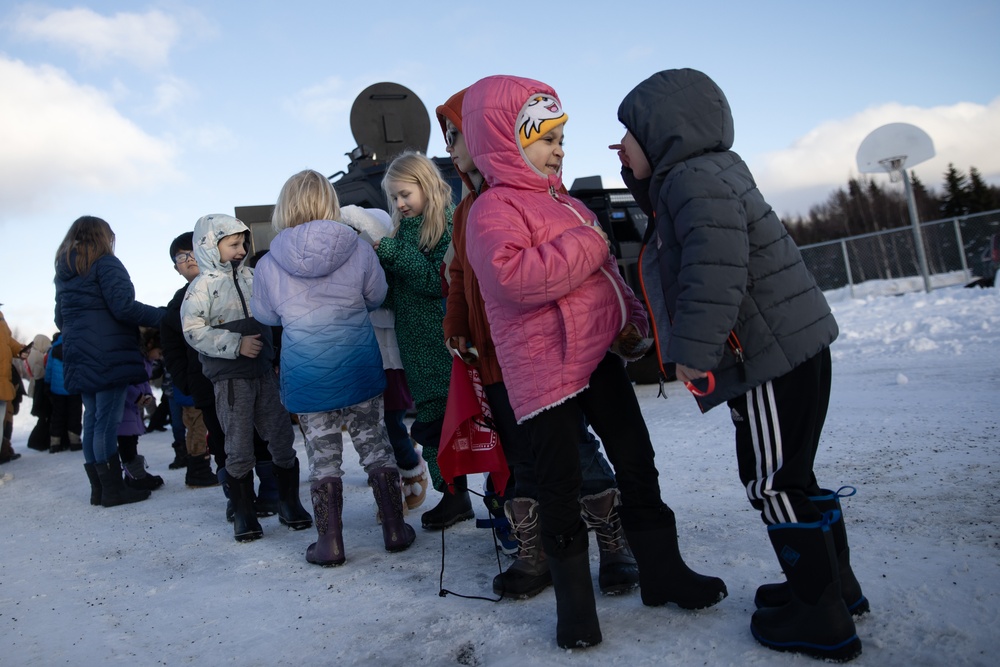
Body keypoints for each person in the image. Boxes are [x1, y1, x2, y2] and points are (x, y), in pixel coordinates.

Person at [462, 75, 727, 649]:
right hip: (544, 369)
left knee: (637, 457)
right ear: (507, 141)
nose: (560, 148)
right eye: (546, 137)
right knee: (561, 484)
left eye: (562, 136)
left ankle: (663, 571)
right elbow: (511, 279)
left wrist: (630, 318)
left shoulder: (569, 204)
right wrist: (590, 245)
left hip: (598, 354)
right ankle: (575, 606)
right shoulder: (492, 208)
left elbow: (604, 277)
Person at [614, 68, 865, 662]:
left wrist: (693, 354)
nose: (619, 146)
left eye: (627, 134)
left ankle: (820, 618)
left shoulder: (691, 181)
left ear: (662, 132)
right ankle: (833, 589)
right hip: (793, 347)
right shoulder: (710, 170)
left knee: (773, 482)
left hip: (766, 358)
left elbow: (713, 271)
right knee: (794, 476)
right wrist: (642, 181)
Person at [436, 87, 638, 598]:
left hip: (541, 353)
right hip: (492, 356)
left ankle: (613, 540)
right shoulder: (466, 211)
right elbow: (460, 273)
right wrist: (456, 321)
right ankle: (537, 554)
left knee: (575, 447)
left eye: (456, 135)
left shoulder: (523, 198)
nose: (452, 147)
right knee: (522, 456)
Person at [251, 170, 416, 564]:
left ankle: (330, 543)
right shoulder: (357, 248)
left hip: (308, 378)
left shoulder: (270, 263)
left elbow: (267, 315)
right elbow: (376, 295)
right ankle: (394, 528)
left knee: (322, 457)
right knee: (376, 445)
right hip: (358, 367)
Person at [180, 213, 312, 542]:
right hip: (231, 380)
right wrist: (236, 344)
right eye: (233, 244)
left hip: (264, 373)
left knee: (281, 437)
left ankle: (289, 503)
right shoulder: (202, 288)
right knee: (238, 445)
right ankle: (243, 511)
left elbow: (275, 310)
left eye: (243, 243)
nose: (241, 250)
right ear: (211, 246)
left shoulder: (254, 277)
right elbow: (193, 331)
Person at [377, 151, 467, 530]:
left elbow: (437, 281)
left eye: (404, 194)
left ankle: (501, 492)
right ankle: (453, 495)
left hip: (444, 344)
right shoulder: (401, 230)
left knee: (466, 420)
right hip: (415, 347)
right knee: (430, 424)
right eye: (394, 198)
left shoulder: (446, 224)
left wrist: (392, 252)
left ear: (426, 185)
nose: (399, 204)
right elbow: (396, 294)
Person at [53, 216, 164, 506]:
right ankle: (113, 490)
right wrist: (166, 317)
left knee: (92, 421)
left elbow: (59, 319)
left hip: (78, 354)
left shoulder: (64, 272)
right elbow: (124, 307)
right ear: (104, 237)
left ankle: (99, 489)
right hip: (108, 353)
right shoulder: (105, 263)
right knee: (107, 422)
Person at [338, 204, 429, 513]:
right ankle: (388, 487)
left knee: (390, 422)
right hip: (364, 356)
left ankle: (410, 467)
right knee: (372, 428)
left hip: (394, 358)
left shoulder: (392, 266)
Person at [159, 232, 221, 490]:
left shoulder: (227, 286)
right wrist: (186, 382)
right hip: (200, 383)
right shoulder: (176, 303)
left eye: (193, 253)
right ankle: (204, 472)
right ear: (176, 267)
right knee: (208, 432)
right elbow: (171, 348)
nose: (189, 260)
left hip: (236, 376)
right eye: (182, 257)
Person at [117, 327, 165, 492]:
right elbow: (126, 380)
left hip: (133, 406)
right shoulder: (134, 357)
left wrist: (147, 395)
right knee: (126, 441)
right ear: (150, 344)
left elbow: (144, 381)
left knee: (132, 439)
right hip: (125, 406)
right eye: (159, 352)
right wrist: (137, 397)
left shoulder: (145, 360)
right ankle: (134, 477)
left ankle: (136, 474)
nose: (160, 357)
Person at [44, 331, 83, 453]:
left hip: (56, 389)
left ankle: (55, 443)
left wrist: (47, 383)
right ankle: (74, 441)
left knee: (57, 415)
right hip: (73, 388)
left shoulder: (53, 350)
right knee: (74, 415)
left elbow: (49, 369)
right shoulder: (77, 347)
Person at [1, 308, 26, 464]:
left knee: (4, 419)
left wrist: (22, 350)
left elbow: (9, 342)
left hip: (4, 382)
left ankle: (4, 451)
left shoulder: (1, 320)